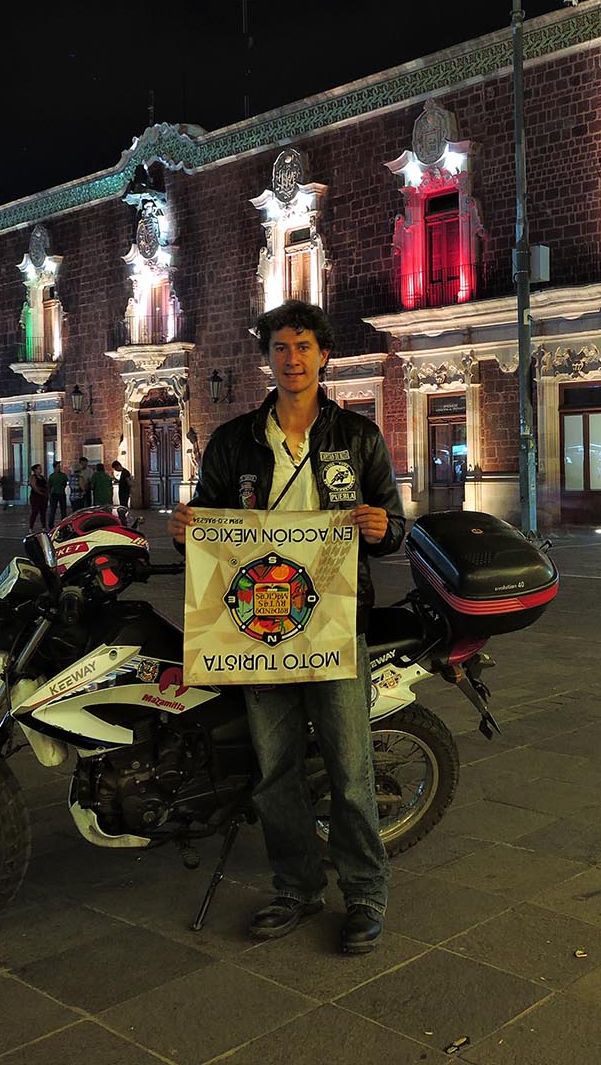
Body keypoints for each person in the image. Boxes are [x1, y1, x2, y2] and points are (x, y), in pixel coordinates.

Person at [168, 300, 405, 955]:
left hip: (335, 624)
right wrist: (189, 528)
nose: (292, 359)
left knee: (350, 767)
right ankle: (296, 887)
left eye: (303, 346)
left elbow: (393, 525)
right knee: (275, 772)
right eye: (280, 348)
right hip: (255, 630)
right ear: (268, 359)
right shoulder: (233, 442)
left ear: (323, 356)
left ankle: (364, 894)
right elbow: (210, 525)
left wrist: (387, 529)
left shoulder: (358, 439)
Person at [26, 463, 49, 532]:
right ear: (35, 470)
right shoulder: (33, 477)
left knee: (43, 512)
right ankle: (31, 527)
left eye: (41, 468)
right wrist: (41, 492)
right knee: (35, 512)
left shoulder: (42, 477)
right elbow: (34, 486)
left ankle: (44, 527)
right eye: (39, 468)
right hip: (35, 496)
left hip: (43, 496)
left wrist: (46, 492)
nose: (40, 470)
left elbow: (46, 485)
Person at [47, 461, 69, 526]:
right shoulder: (52, 476)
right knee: (53, 510)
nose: (59, 468)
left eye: (59, 467)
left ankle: (63, 524)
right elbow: (49, 485)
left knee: (63, 510)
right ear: (54, 467)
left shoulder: (63, 475)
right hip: (54, 494)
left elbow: (65, 483)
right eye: (57, 467)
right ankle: (51, 524)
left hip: (61, 493)